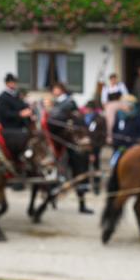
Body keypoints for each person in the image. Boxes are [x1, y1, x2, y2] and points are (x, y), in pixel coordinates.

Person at [49, 83, 93, 214]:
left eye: (55, 89)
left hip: (71, 145)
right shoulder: (57, 104)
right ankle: (52, 199)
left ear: (61, 90)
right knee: (59, 174)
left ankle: (82, 204)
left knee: (78, 174)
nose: (54, 91)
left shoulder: (68, 103)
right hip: (60, 144)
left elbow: (72, 121)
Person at [0, 73, 32, 161]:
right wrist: (20, 114)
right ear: (7, 83)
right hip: (9, 127)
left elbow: (22, 106)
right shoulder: (3, 97)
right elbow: (4, 113)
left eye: (14, 82)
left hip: (20, 126)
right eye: (11, 82)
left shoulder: (17, 95)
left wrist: (29, 110)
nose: (13, 84)